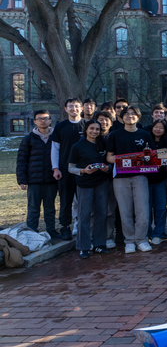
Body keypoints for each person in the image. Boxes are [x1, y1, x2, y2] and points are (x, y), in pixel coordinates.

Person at [106, 105, 153, 253]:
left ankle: (141, 240)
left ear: (138, 117)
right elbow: (109, 157)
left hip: (140, 177)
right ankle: (130, 241)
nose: (129, 116)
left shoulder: (145, 135)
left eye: (133, 114)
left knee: (142, 211)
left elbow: (151, 156)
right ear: (121, 117)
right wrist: (121, 160)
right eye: (126, 114)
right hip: (120, 178)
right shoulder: (114, 135)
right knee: (125, 211)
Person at [68, 120, 111, 258]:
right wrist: (83, 171)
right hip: (84, 183)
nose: (94, 131)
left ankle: (99, 244)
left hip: (101, 182)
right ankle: (84, 247)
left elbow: (109, 162)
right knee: (84, 215)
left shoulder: (103, 144)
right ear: (86, 130)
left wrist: (107, 168)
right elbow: (70, 168)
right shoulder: (77, 146)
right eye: (92, 128)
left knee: (102, 214)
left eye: (97, 129)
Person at [17, 110, 58, 237]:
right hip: (34, 180)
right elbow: (22, 160)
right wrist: (22, 179)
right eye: (39, 119)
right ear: (35, 121)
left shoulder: (56, 137)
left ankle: (51, 230)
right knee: (33, 208)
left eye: (45, 118)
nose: (43, 121)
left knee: (50, 208)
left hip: (51, 179)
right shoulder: (28, 139)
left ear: (50, 120)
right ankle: (32, 232)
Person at [51, 98, 85, 240]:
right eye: (70, 106)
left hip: (84, 169)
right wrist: (56, 168)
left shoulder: (88, 125)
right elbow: (55, 148)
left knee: (84, 200)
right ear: (65, 109)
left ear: (81, 108)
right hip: (65, 169)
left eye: (76, 106)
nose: (73, 109)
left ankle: (82, 226)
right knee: (66, 200)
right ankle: (65, 227)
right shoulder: (60, 126)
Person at [94, 111, 118, 248]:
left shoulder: (114, 137)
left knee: (110, 210)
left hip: (111, 179)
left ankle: (108, 237)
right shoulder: (91, 138)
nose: (103, 122)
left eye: (106, 120)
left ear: (111, 122)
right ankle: (94, 237)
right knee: (93, 211)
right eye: (100, 120)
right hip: (93, 179)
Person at [147, 120, 167, 245]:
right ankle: (147, 233)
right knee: (146, 208)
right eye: (156, 127)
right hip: (146, 179)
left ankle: (159, 233)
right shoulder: (146, 141)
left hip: (160, 180)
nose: (158, 130)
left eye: (161, 128)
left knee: (161, 207)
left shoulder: (166, 143)